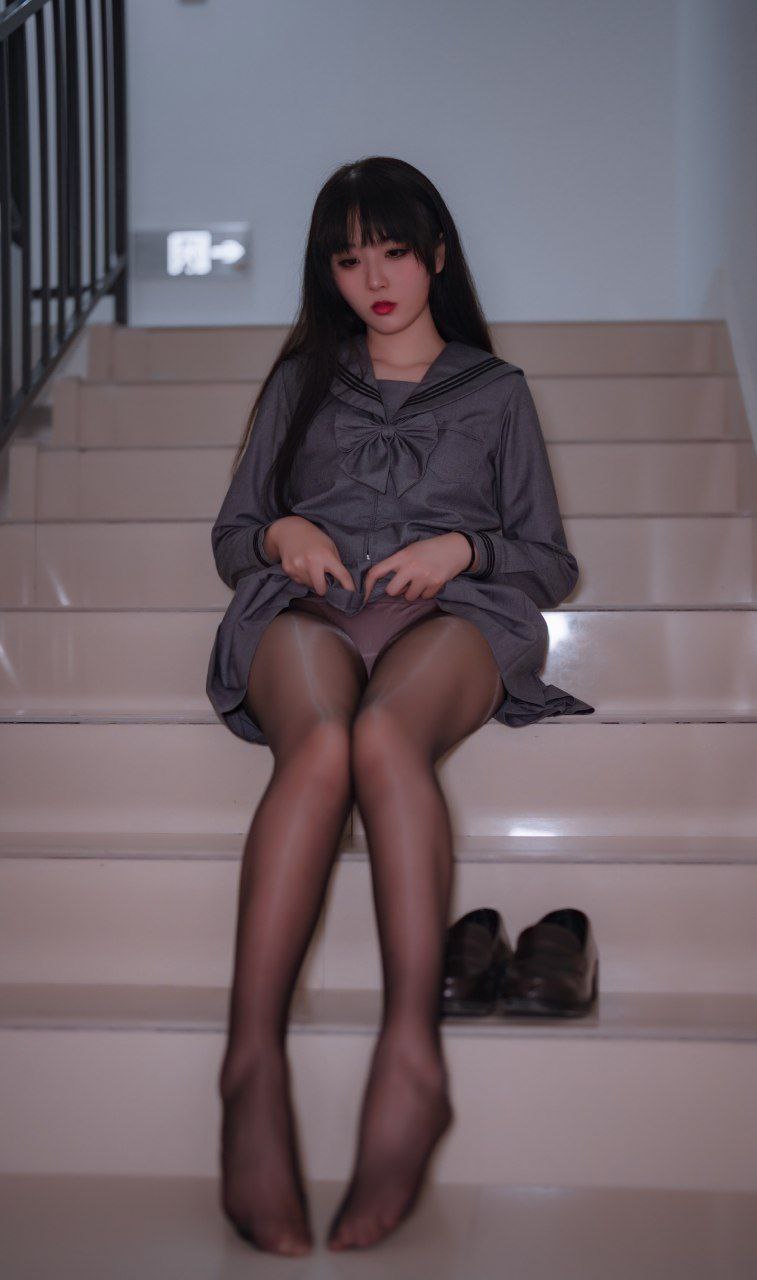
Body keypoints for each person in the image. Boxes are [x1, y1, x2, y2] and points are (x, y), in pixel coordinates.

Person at [208, 155, 594, 1256]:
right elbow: (232, 537)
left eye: (391, 251)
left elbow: (549, 560)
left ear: (435, 255)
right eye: (347, 259)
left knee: (384, 737)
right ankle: (249, 1065)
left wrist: (464, 545)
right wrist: (282, 532)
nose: (373, 279)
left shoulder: (495, 390)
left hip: (453, 617)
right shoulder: (301, 381)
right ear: (326, 272)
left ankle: (411, 1055)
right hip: (308, 613)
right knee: (321, 746)